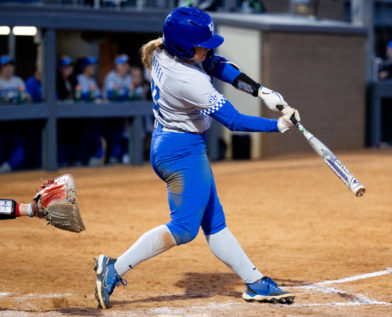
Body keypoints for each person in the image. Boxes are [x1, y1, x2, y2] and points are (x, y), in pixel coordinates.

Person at [93, 7, 298, 309]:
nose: (208, 49)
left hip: (174, 144)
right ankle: (114, 268)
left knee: (215, 223)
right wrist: (277, 125)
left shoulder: (166, 49)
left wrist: (260, 90)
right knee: (184, 228)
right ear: (185, 47)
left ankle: (255, 282)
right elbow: (234, 121)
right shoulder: (188, 80)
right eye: (201, 45)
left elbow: (216, 63)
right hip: (181, 151)